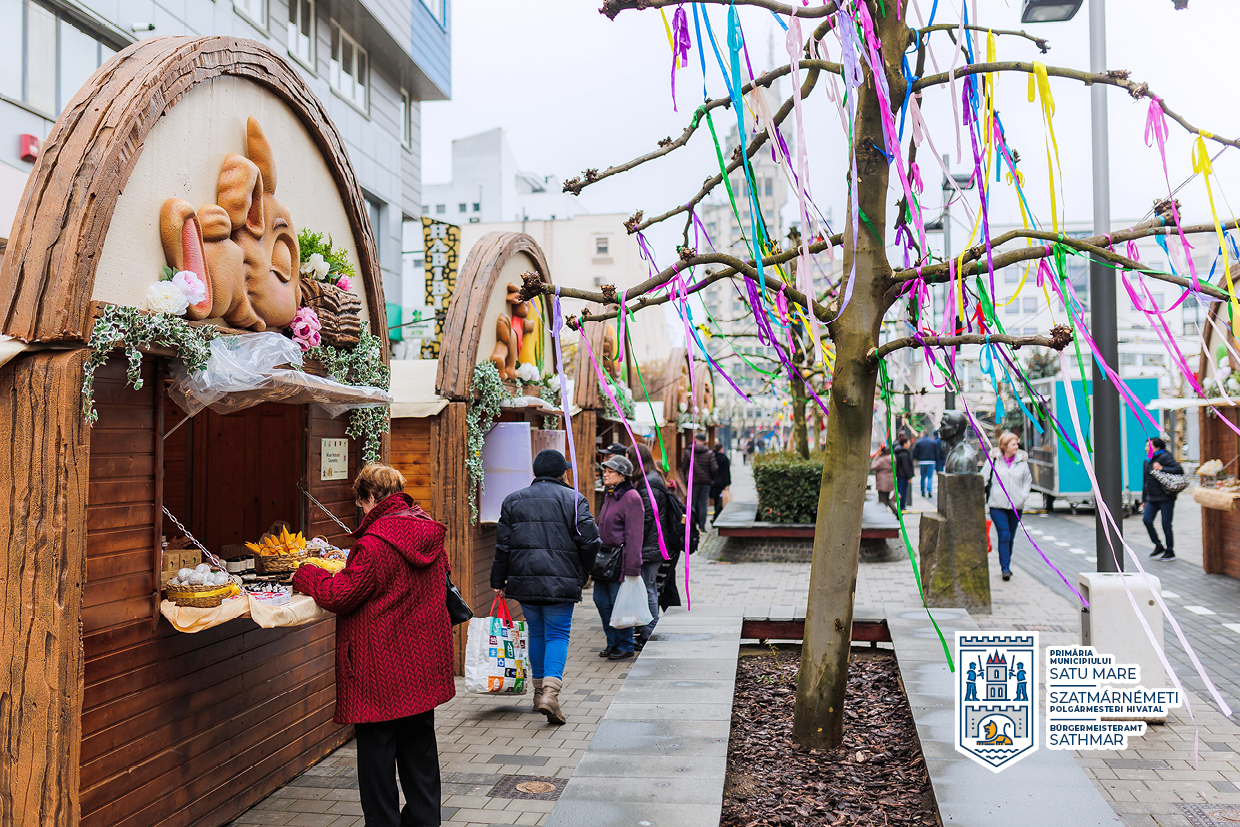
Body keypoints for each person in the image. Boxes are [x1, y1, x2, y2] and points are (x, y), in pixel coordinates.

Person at [292, 464, 454, 827]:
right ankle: (425, 821)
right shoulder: (427, 530)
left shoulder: (374, 544)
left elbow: (340, 595)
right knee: (420, 753)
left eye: (361, 502)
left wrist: (307, 573)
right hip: (421, 664)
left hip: (379, 669)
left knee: (377, 759)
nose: (361, 510)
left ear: (369, 497)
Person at [492, 450, 601, 724]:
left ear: (535, 473)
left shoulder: (513, 500)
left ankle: (538, 692)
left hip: (524, 579)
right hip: (561, 581)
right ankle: (551, 694)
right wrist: (584, 570)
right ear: (561, 473)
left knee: (537, 633)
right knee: (557, 634)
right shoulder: (574, 499)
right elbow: (591, 541)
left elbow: (503, 546)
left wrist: (497, 580)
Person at [593, 454, 645, 661]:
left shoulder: (632, 498)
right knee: (601, 601)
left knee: (619, 604)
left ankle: (625, 645)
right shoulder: (609, 494)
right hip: (603, 559)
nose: (605, 474)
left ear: (623, 476)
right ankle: (612, 642)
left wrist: (632, 567)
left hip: (620, 560)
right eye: (604, 471)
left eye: (610, 471)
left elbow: (635, 535)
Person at [627, 443, 675, 649]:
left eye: (628, 458)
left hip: (651, 546)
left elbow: (645, 519)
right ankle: (647, 631)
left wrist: (635, 545)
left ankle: (650, 633)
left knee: (648, 589)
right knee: (649, 588)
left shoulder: (648, 484)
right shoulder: (651, 479)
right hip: (654, 544)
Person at [982, 432, 1033, 581]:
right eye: (1014, 444)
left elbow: (1027, 480)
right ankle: (1005, 568)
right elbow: (983, 478)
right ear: (1004, 446)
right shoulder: (993, 460)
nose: (1017, 447)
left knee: (1010, 537)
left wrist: (1023, 496)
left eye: (1017, 444)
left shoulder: (1022, 462)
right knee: (1004, 534)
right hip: (997, 505)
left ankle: (1006, 563)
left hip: (1016, 506)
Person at [1142, 437, 1184, 561]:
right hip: (1152, 498)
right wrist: (1144, 499)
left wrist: (1162, 468)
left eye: (1148, 446)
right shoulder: (1147, 461)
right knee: (1147, 520)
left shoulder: (1165, 457)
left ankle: (1170, 550)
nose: (1146, 448)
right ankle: (1158, 545)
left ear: (1157, 447)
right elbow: (1145, 481)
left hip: (1166, 497)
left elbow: (1179, 470)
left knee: (1166, 524)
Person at [681, 432, 718, 532]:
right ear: (705, 441)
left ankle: (692, 526)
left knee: (692, 503)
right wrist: (711, 478)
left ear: (695, 439)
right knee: (703, 504)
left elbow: (684, 467)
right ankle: (702, 527)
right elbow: (714, 468)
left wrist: (687, 477)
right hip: (706, 482)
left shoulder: (689, 452)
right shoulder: (709, 453)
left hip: (693, 482)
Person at [912, 431, 941, 498]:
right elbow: (937, 452)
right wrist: (935, 459)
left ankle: (922, 491)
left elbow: (915, 453)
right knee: (930, 477)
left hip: (922, 461)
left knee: (923, 477)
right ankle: (929, 490)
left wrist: (918, 458)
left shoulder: (919, 442)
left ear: (923, 434)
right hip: (931, 461)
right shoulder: (933, 442)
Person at [710, 441, 732, 525]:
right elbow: (726, 472)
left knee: (716, 500)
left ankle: (715, 516)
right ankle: (717, 516)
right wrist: (727, 483)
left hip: (714, 482)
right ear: (721, 449)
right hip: (722, 482)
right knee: (721, 501)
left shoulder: (712, 457)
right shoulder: (724, 458)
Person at [871, 444, 896, 514]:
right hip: (889, 481)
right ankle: (896, 512)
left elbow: (873, 466)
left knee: (882, 500)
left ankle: (883, 514)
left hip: (882, 482)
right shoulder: (892, 459)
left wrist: (876, 457)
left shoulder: (882, 460)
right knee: (887, 499)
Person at [894, 437, 915, 511]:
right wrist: (909, 476)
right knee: (903, 492)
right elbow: (906, 466)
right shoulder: (904, 454)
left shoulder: (901, 453)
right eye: (909, 442)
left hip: (900, 475)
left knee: (900, 491)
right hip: (903, 475)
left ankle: (901, 506)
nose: (910, 444)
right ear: (904, 444)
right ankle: (902, 507)